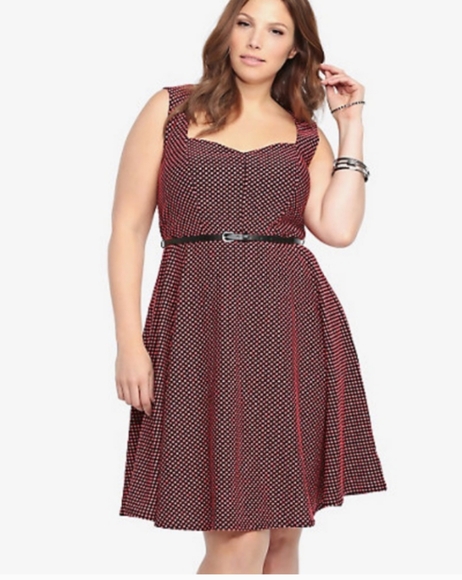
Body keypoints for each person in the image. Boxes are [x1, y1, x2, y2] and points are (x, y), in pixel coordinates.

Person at [108, 0, 387, 573]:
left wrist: (351, 127)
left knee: (282, 538)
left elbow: (337, 229)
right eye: (245, 23)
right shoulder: (171, 108)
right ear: (227, 30)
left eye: (275, 30)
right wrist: (129, 343)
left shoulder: (305, 134)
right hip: (198, 327)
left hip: (290, 332)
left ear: (295, 48)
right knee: (238, 536)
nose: (256, 40)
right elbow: (128, 230)